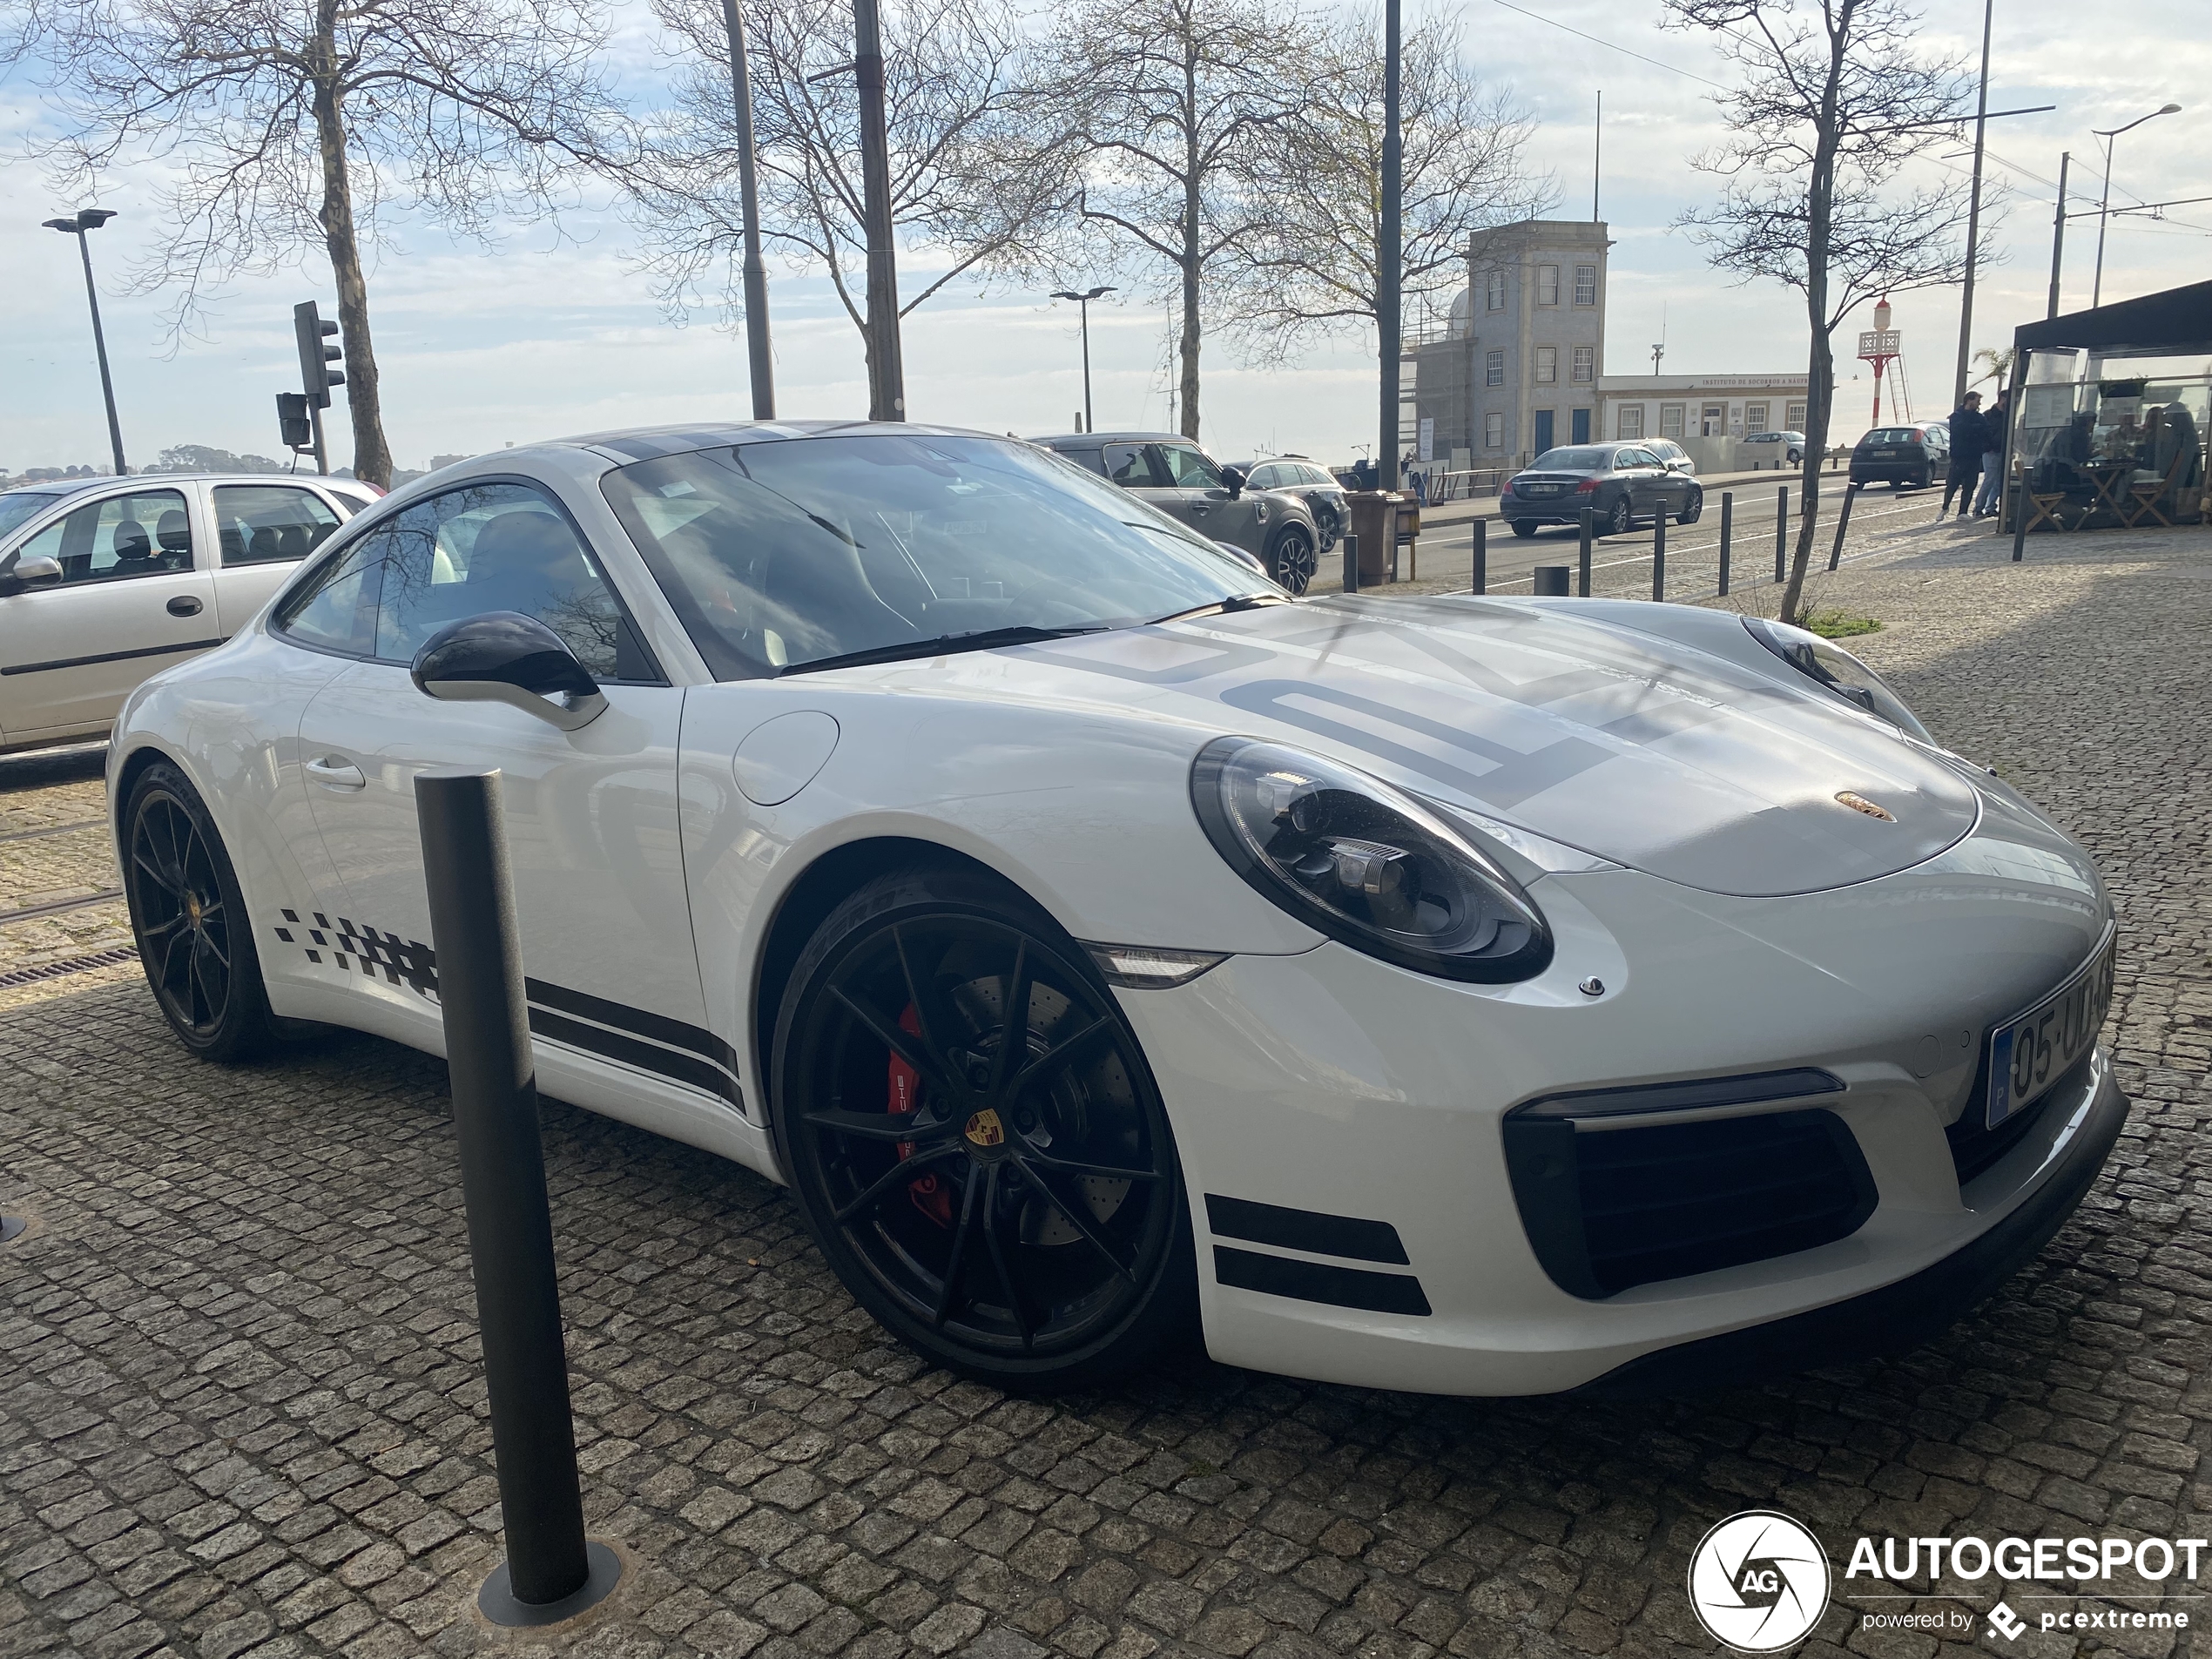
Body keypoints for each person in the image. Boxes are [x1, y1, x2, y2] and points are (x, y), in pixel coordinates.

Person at [1941, 392, 1986, 518]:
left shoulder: (1979, 417)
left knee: (1970, 485)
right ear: (1969, 400)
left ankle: (1963, 512)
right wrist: (1974, 429)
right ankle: (1945, 507)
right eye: (1977, 401)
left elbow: (1985, 430)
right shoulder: (1956, 416)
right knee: (1952, 484)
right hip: (1959, 456)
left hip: (1974, 456)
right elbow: (1960, 430)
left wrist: (1974, 430)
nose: (1979, 404)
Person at [1973, 388, 2010, 516]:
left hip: (2004, 451)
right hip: (1991, 452)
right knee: (1990, 480)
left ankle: (1990, 507)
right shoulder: (1989, 415)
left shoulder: (2008, 415)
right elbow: (1982, 434)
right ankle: (1979, 507)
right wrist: (1988, 446)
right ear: (2003, 399)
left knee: (1999, 481)